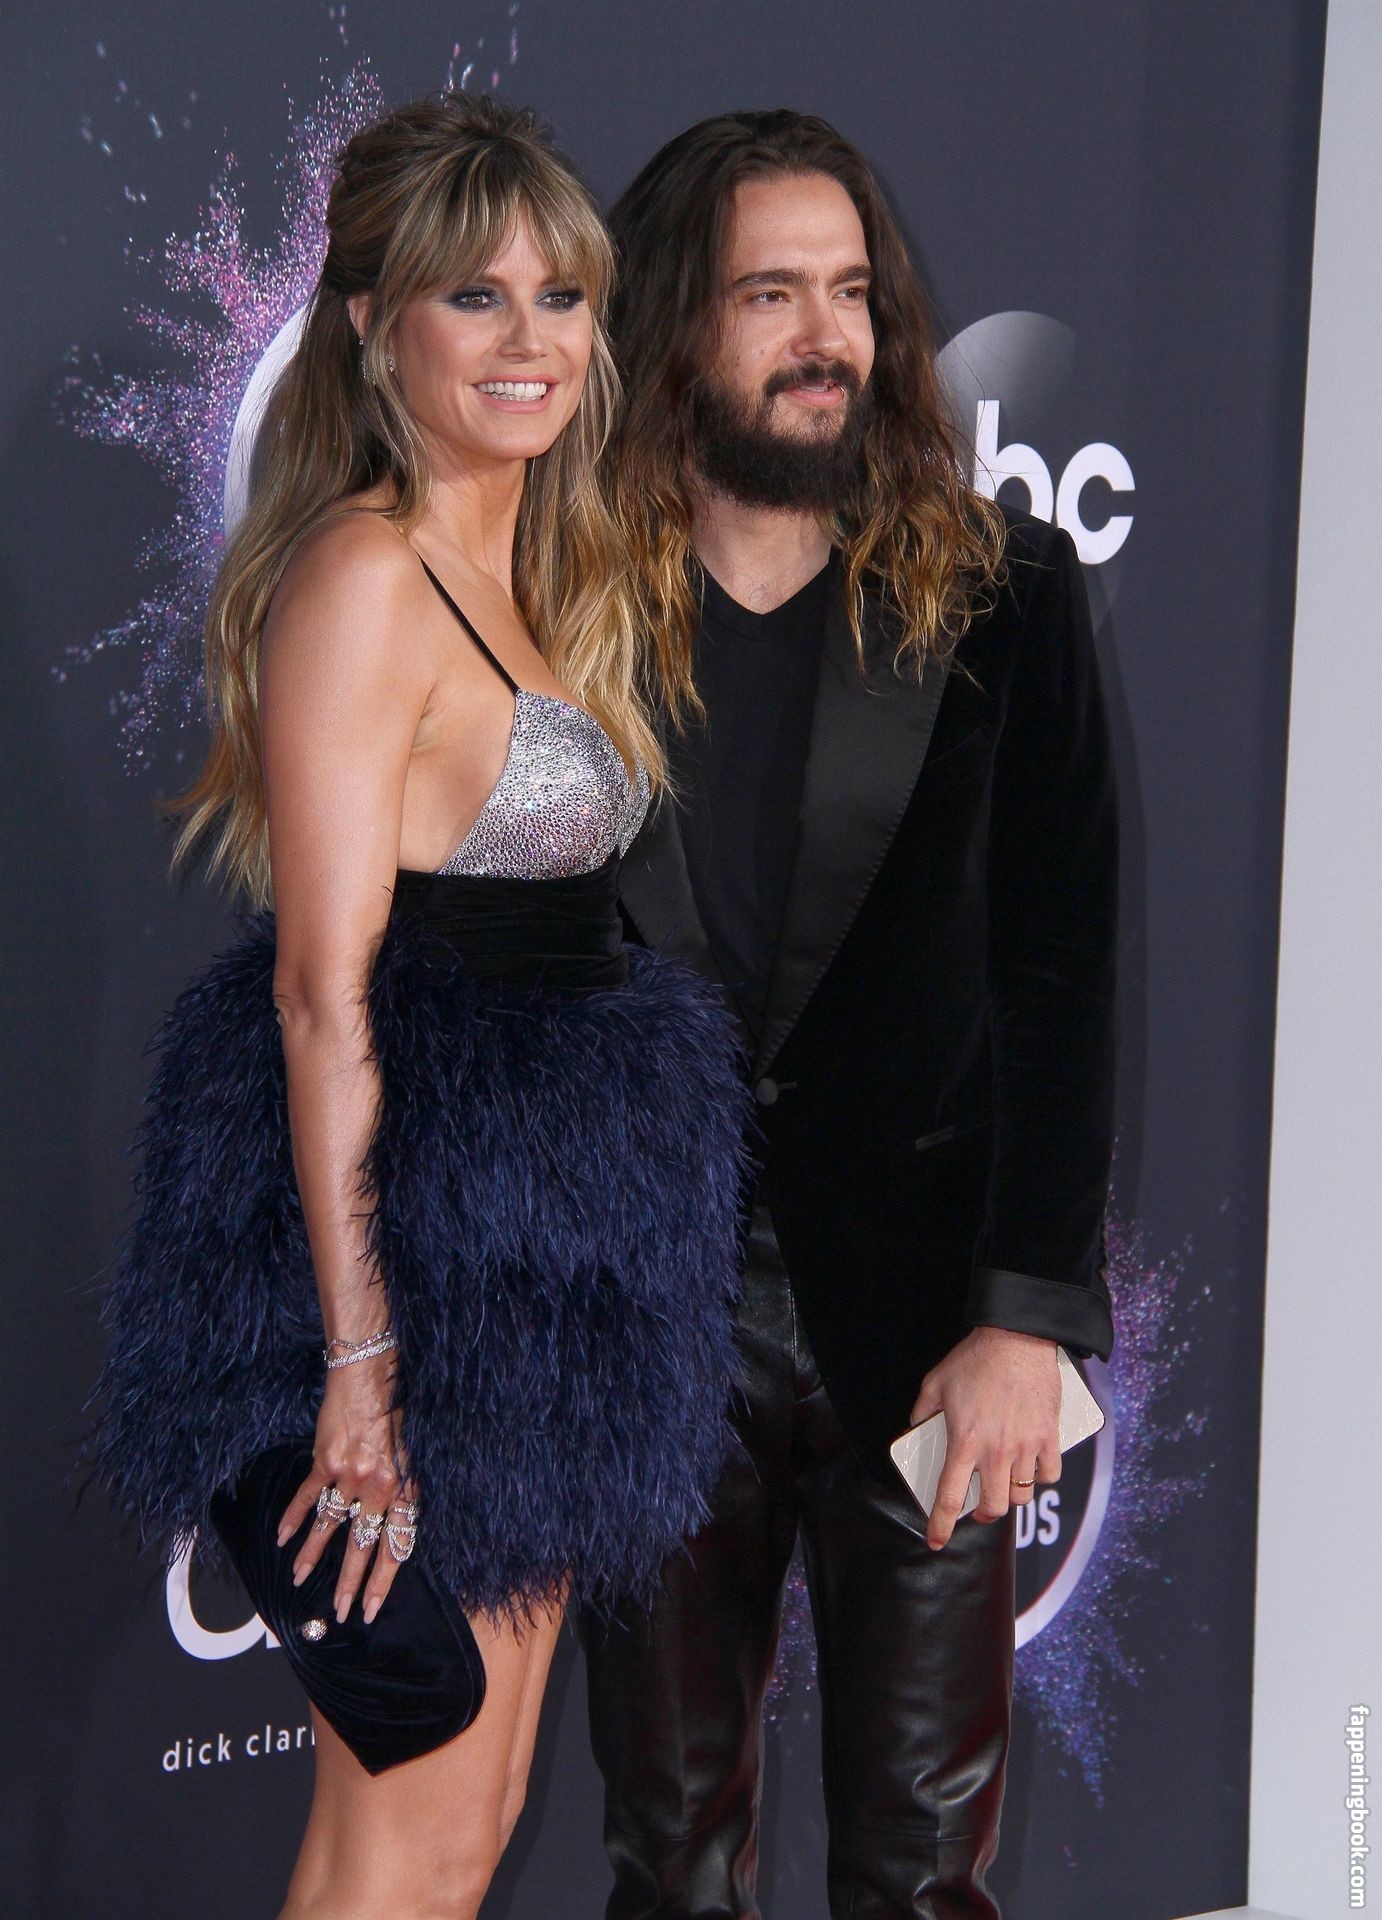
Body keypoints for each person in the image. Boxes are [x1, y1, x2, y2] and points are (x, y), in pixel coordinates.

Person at [90, 95, 745, 1920]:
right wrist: (359, 1368)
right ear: (376, 324)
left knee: (475, 1812)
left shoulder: (536, 565)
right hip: (409, 1258)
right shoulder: (364, 577)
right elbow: (320, 996)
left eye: (562, 296)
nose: (531, 341)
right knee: (409, 1835)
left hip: (543, 1262)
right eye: (477, 296)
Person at [581, 110, 1119, 1918]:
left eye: (850, 292)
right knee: (668, 1858)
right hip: (645, 1323)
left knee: (919, 1864)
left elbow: (1062, 968)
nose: (827, 337)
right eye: (769, 294)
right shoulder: (550, 609)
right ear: (673, 321)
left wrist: (1025, 1313)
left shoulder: (1003, 594)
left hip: (922, 1323)